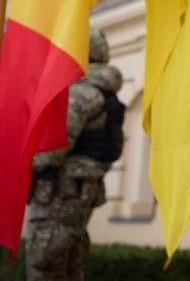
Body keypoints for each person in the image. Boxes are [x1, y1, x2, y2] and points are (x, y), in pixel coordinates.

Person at [26, 30, 125, 281]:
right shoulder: (103, 92)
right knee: (70, 262)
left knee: (45, 263)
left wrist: (24, 164)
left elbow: (54, 145)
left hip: (59, 189)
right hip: (81, 190)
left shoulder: (81, 93)